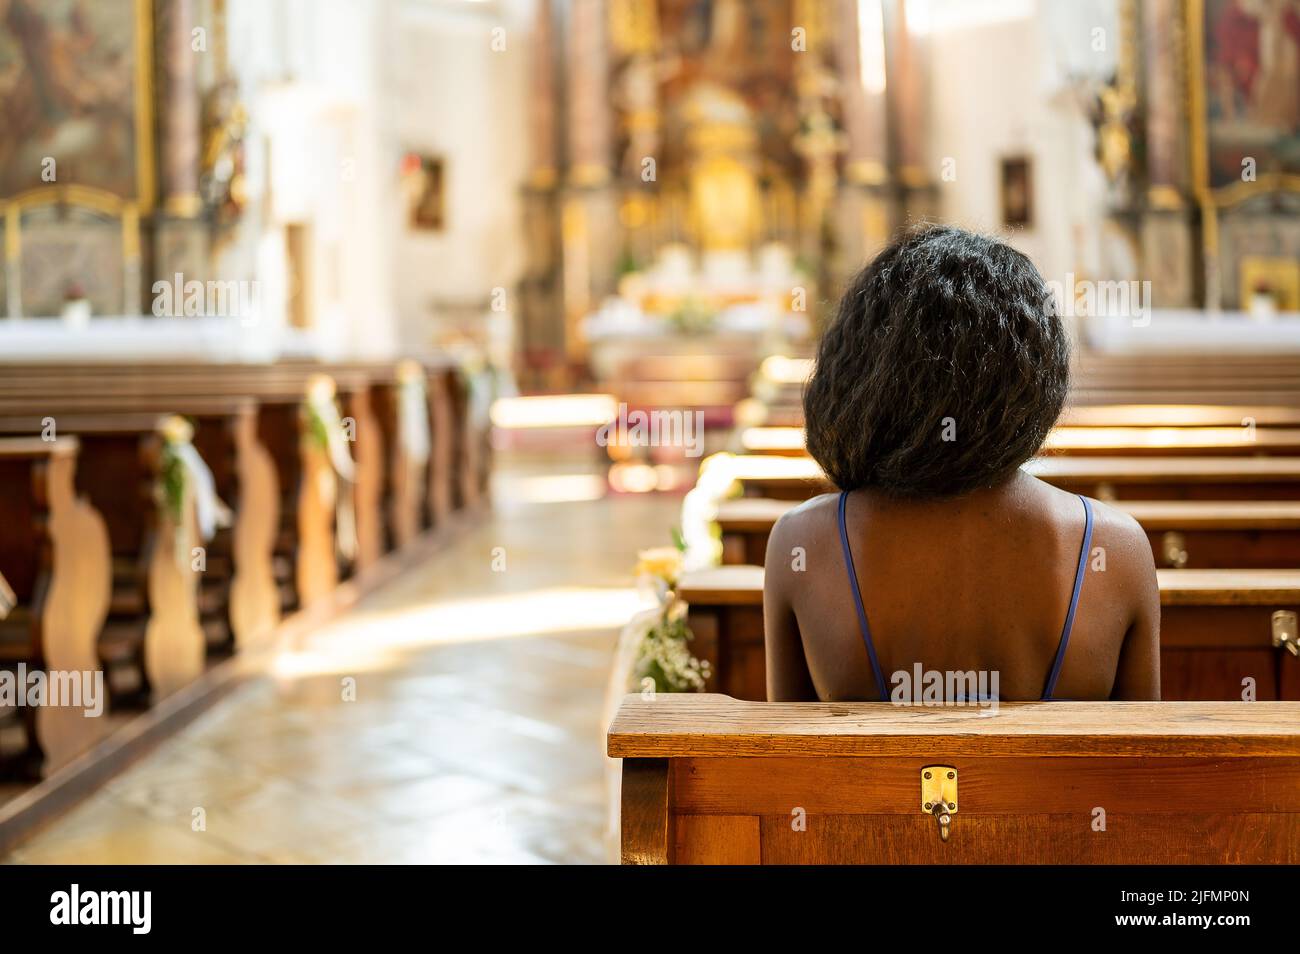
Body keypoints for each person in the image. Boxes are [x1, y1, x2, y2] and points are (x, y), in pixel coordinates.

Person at [764, 226, 1159, 702]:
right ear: (1035, 368)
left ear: (865, 370)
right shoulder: (1117, 550)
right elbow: (1139, 768)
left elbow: (787, 759)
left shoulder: (801, 544)